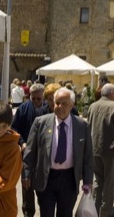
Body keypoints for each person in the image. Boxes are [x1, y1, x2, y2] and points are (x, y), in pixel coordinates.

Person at [22, 88, 93, 217]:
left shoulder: (82, 126)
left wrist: (88, 181)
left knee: (65, 214)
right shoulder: (40, 122)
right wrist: (26, 173)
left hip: (69, 179)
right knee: (46, 213)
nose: (60, 106)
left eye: (64, 103)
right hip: (46, 177)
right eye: (57, 103)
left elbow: (88, 156)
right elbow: (30, 150)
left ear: (72, 105)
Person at [87, 83, 114, 217]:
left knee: (98, 182)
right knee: (110, 185)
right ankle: (105, 213)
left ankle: (95, 211)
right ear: (112, 94)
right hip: (111, 152)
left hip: (94, 149)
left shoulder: (92, 106)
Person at [11, 83, 45, 217]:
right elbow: (14, 129)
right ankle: (28, 213)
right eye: (33, 98)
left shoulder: (48, 109)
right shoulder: (23, 109)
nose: (36, 101)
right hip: (27, 153)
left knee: (43, 187)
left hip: (44, 155)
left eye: (39, 99)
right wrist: (22, 142)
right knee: (27, 185)